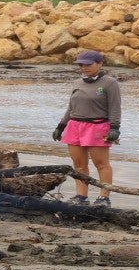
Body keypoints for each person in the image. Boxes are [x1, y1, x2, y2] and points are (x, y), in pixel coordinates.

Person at [52, 50, 121, 208]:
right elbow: (71, 107)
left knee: (101, 164)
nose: (84, 67)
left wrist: (115, 128)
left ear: (100, 64)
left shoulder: (110, 83)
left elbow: (115, 108)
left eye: (88, 64)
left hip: (97, 127)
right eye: (81, 64)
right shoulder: (77, 82)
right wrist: (61, 126)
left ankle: (104, 198)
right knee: (79, 165)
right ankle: (81, 197)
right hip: (75, 126)